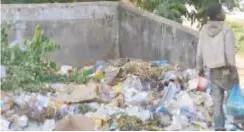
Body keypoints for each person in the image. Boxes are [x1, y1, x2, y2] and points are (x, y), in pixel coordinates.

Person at [196, 3, 239, 131]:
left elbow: (199, 53)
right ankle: (241, 122)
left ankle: (219, 128)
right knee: (235, 99)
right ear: (218, 14)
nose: (224, 12)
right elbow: (229, 53)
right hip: (226, 71)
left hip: (212, 72)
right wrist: (234, 71)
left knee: (217, 103)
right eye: (222, 10)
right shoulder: (226, 29)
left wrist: (200, 69)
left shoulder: (204, 30)